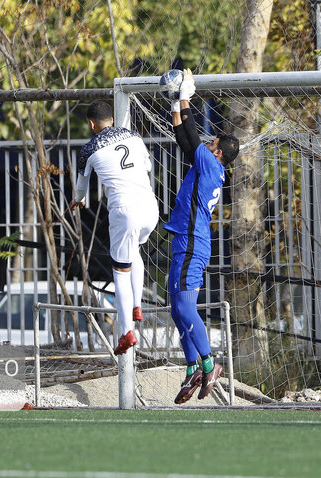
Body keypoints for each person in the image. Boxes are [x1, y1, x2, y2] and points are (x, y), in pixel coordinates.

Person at [164, 69, 240, 403]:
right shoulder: (206, 164)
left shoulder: (211, 164)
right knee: (177, 309)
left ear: (218, 152)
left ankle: (210, 364)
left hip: (193, 242)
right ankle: (192, 366)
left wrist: (186, 96)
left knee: (184, 304)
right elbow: (185, 140)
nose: (207, 145)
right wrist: (174, 105)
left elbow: (193, 137)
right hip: (186, 239)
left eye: (212, 144)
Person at [70, 101, 159, 356]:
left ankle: (126, 332)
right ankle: (137, 306)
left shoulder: (89, 149)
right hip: (150, 208)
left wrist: (80, 198)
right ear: (111, 118)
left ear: (91, 123)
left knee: (120, 271)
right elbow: (148, 167)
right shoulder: (134, 136)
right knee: (135, 251)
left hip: (125, 211)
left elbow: (81, 187)